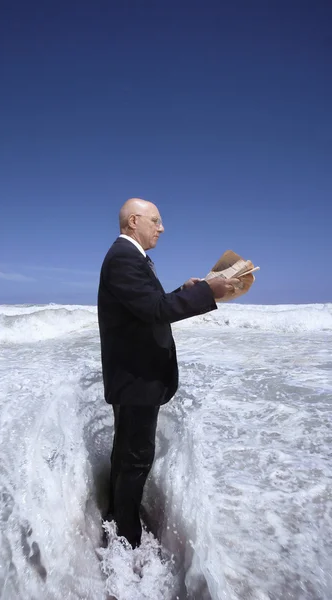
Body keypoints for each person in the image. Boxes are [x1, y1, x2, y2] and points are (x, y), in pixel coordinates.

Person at [97, 198, 237, 548]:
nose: (161, 228)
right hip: (135, 380)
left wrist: (185, 292)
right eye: (156, 221)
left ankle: (117, 517)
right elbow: (157, 311)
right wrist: (208, 292)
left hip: (135, 379)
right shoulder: (123, 259)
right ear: (133, 221)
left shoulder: (130, 259)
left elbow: (145, 307)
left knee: (129, 455)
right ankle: (126, 540)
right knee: (135, 459)